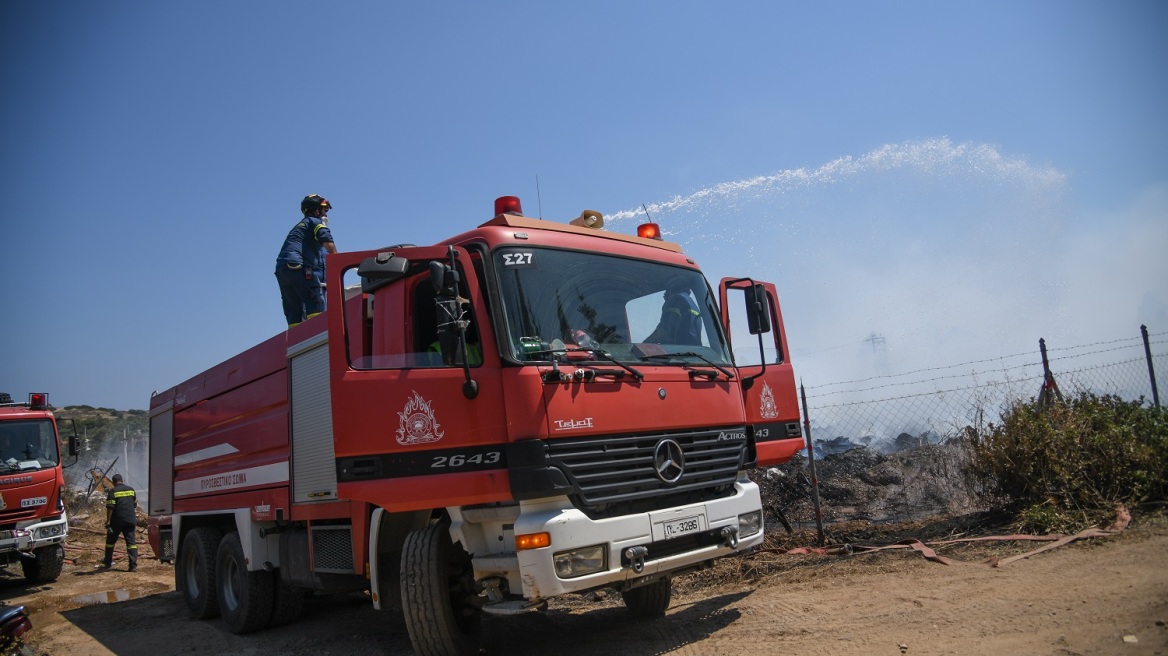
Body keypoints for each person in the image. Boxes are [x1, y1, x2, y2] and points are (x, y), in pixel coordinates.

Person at [276, 194, 337, 327]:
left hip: (283, 269)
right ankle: (318, 330)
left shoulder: (299, 227)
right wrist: (337, 260)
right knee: (315, 299)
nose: (326, 214)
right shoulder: (315, 222)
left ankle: (297, 339)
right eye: (324, 210)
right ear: (316, 210)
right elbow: (329, 244)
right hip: (298, 265)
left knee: (294, 308)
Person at [646, 278, 703, 346]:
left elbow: (664, 331)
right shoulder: (691, 303)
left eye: (667, 289)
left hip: (675, 352)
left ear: (673, 288)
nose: (664, 294)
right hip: (692, 352)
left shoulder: (676, 299)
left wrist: (644, 345)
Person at [101, 474, 138, 572]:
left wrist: (108, 521)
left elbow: (110, 508)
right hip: (130, 520)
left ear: (113, 482)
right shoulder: (131, 490)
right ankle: (133, 566)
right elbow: (134, 505)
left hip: (117, 521)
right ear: (122, 480)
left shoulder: (113, 491)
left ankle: (108, 562)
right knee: (131, 543)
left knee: (110, 542)